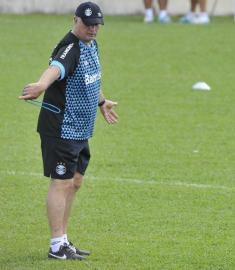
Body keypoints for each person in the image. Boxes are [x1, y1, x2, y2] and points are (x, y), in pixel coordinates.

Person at [18, 1, 118, 260]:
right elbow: (57, 68)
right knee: (61, 183)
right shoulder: (70, 47)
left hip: (80, 128)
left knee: (75, 182)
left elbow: (92, 77)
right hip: (61, 127)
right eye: (88, 24)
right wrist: (41, 84)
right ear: (75, 20)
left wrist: (101, 102)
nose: (93, 29)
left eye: (97, 25)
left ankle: (63, 239)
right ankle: (56, 245)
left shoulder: (91, 45)